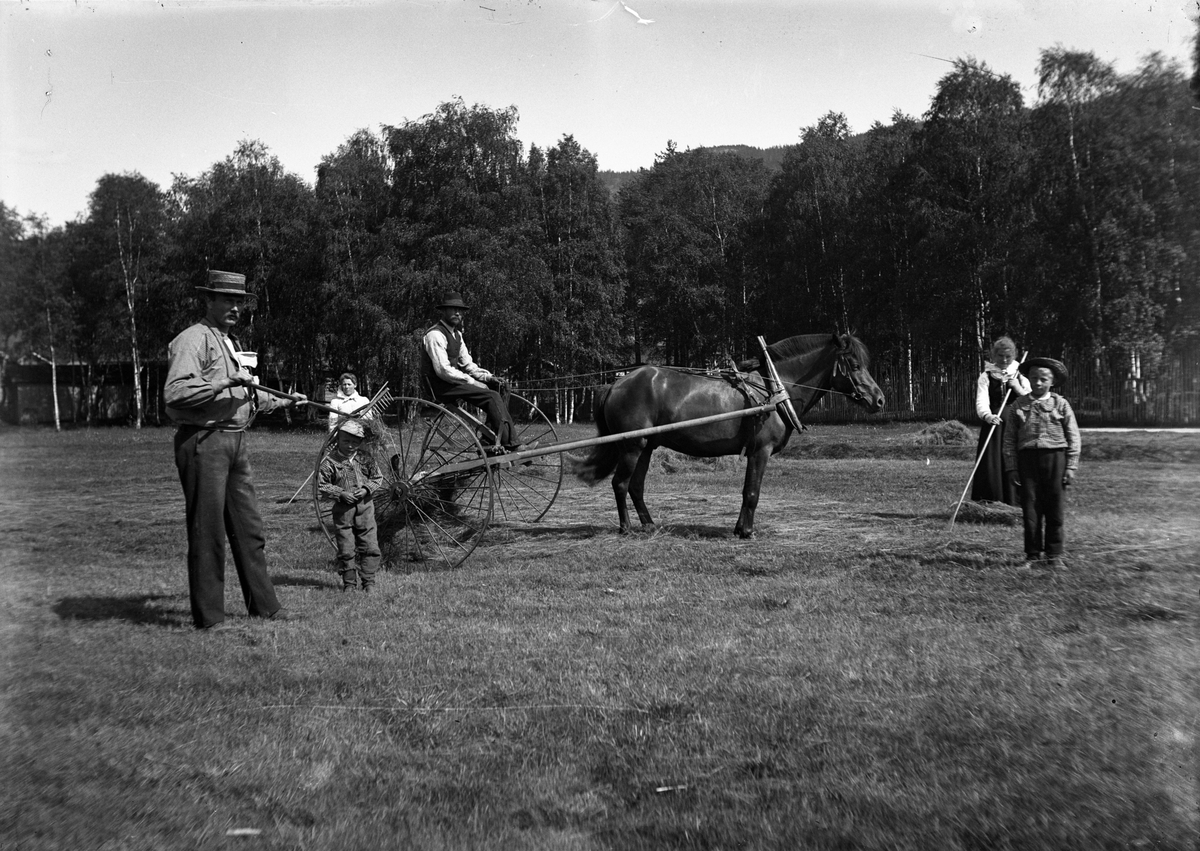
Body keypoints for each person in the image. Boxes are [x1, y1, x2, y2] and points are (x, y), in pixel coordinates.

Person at [164, 270, 307, 630]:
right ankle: (210, 618)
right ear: (208, 300)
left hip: (236, 442)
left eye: (239, 302)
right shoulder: (192, 340)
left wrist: (286, 400)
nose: (235, 308)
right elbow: (175, 393)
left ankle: (265, 607)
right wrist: (225, 380)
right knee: (207, 532)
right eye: (227, 300)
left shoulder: (229, 342)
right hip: (204, 442)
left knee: (249, 530)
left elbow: (245, 394)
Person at [420, 291, 530, 453]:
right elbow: (443, 370)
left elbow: (469, 365)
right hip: (440, 386)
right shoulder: (435, 335)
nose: (457, 313)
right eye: (452, 309)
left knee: (501, 387)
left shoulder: (457, 335)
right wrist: (473, 382)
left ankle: (488, 439)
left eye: (460, 310)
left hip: (453, 382)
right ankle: (512, 443)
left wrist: (489, 377)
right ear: (444, 311)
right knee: (490, 395)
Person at [1002, 357, 1080, 570]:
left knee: (1055, 507)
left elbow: (1073, 436)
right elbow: (1009, 439)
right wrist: (1012, 467)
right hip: (1028, 461)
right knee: (1031, 509)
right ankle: (1033, 555)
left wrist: (1071, 466)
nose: (1037, 383)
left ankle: (1054, 555)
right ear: (1028, 379)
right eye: (1034, 378)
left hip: (1056, 459)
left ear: (1052, 381)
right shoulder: (1019, 405)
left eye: (1043, 379)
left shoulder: (1060, 404)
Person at [317, 419, 383, 593]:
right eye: (346, 441)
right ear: (338, 440)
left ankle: (369, 582)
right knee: (346, 547)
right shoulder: (330, 462)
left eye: (355, 442)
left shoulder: (365, 459)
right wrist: (340, 493)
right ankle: (349, 584)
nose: (350, 446)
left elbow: (377, 478)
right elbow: (322, 485)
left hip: (365, 508)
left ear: (360, 443)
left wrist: (366, 489)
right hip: (343, 511)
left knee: (370, 545)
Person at [972, 336, 1030, 505]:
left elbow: (1033, 400)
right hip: (995, 426)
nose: (1004, 360)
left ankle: (1016, 501)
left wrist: (1018, 388)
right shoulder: (986, 376)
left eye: (1008, 356)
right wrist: (987, 416)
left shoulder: (1021, 374)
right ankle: (991, 500)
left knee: (1015, 460)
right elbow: (981, 400)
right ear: (993, 355)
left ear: (1014, 355)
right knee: (992, 463)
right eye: (1000, 356)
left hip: (1018, 424)